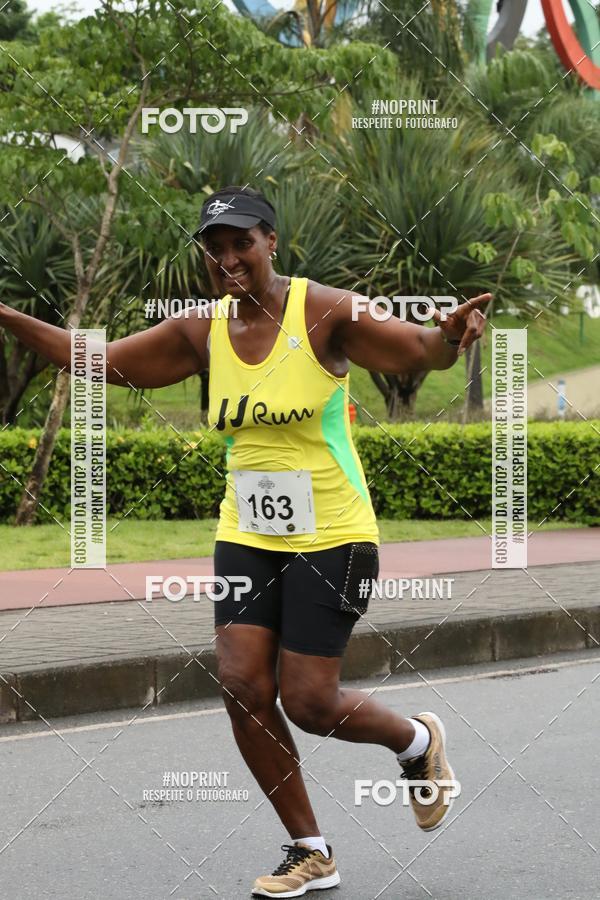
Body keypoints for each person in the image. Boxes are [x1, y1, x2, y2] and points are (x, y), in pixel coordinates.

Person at [0, 185, 489, 898]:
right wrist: (6, 314)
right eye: (215, 247)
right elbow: (97, 359)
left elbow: (419, 349)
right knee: (240, 683)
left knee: (311, 702)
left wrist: (448, 337)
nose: (228, 258)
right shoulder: (202, 330)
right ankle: (310, 848)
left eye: (242, 242)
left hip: (335, 537)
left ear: (271, 243)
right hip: (248, 535)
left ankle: (416, 744)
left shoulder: (325, 312)